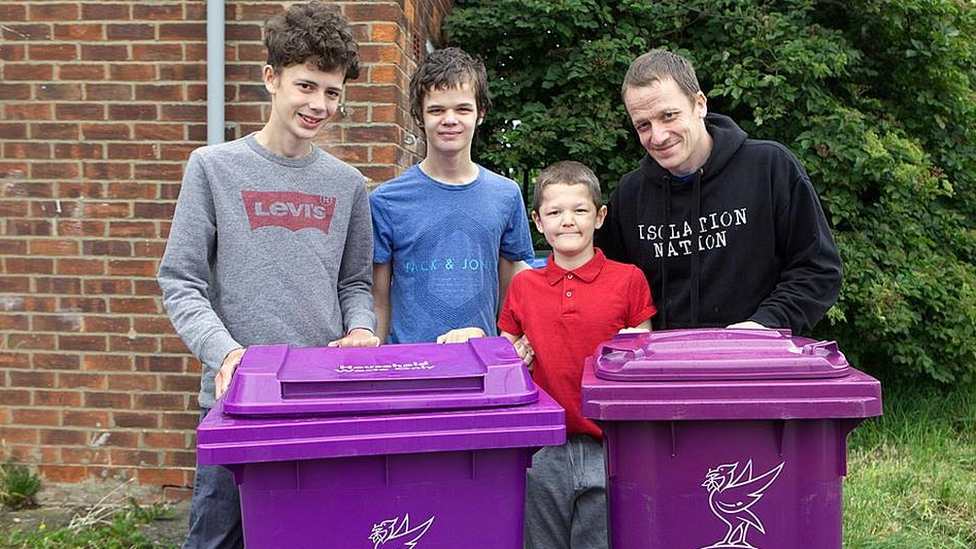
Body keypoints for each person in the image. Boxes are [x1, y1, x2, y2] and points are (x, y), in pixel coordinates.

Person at [157, 3, 378, 548]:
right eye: (306, 86)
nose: (319, 104)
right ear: (270, 78)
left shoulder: (347, 184)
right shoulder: (212, 167)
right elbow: (181, 281)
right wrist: (226, 353)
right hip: (237, 403)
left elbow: (354, 283)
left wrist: (361, 329)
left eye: (332, 92)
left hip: (319, 400)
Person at [596, 49, 842, 333]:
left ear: (699, 104)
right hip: (663, 370)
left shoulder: (769, 167)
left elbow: (818, 269)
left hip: (757, 361)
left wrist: (765, 325)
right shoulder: (630, 194)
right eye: (643, 125)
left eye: (669, 116)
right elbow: (600, 282)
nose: (658, 136)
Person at [498, 161, 656, 549]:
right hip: (543, 445)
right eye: (554, 212)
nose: (567, 221)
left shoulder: (628, 278)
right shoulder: (524, 285)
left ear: (600, 217)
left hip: (611, 442)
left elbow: (644, 353)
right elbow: (508, 355)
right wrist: (515, 354)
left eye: (579, 210)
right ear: (537, 221)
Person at [370, 47, 534, 344]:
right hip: (410, 369)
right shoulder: (386, 200)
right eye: (436, 110)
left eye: (462, 109)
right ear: (419, 115)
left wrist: (505, 352)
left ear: (480, 113)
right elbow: (378, 300)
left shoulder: (506, 195)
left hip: (482, 367)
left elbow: (513, 294)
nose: (449, 119)